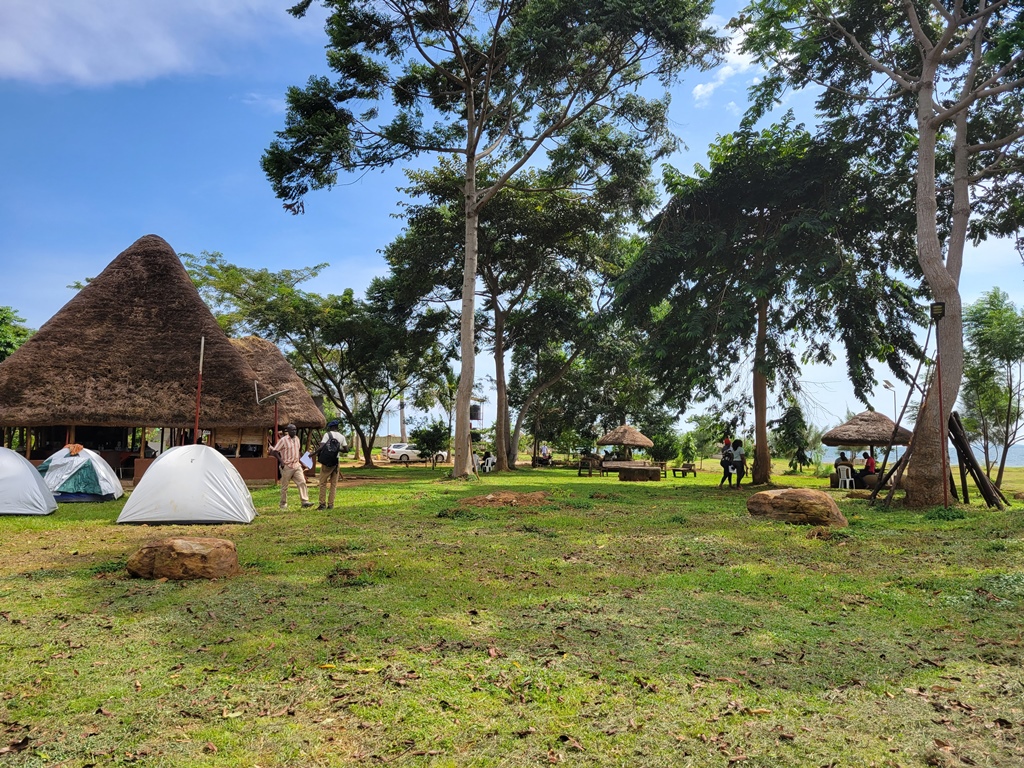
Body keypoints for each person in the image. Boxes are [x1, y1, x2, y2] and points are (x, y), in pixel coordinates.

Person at [270, 424, 312, 509]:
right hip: (287, 466)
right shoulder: (283, 440)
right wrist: (281, 461)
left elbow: (298, 452)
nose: (294, 431)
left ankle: (305, 501)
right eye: (292, 430)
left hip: (296, 465)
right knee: (285, 486)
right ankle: (283, 504)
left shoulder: (297, 439)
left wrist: (302, 463)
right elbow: (274, 451)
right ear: (288, 431)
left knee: (302, 482)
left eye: (295, 430)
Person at [316, 420, 347, 510]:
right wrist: (337, 448)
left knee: (322, 483)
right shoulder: (342, 437)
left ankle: (322, 504)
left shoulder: (327, 435)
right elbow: (346, 449)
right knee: (333, 484)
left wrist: (312, 454)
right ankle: (331, 504)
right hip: (336, 462)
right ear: (337, 427)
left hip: (327, 462)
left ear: (330, 427)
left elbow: (321, 447)